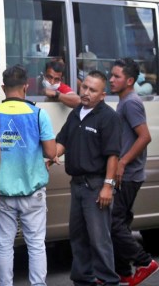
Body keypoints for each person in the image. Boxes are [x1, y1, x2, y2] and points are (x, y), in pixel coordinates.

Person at [0, 64, 57, 286]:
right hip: (33, 192)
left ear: (3, 87)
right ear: (26, 87)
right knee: (36, 245)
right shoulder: (39, 114)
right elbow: (50, 151)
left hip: (2, 192)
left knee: (3, 245)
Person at [56, 70, 121, 286]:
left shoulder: (108, 117)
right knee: (78, 237)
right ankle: (83, 280)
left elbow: (113, 155)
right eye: (84, 87)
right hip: (77, 185)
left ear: (102, 95)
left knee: (99, 240)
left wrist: (108, 186)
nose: (86, 93)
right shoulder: (76, 113)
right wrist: (51, 156)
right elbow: (63, 141)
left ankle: (108, 281)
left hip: (96, 186)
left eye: (92, 90)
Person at [109, 58, 158, 286]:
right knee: (120, 222)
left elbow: (145, 136)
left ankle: (145, 262)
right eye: (111, 75)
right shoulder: (124, 101)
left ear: (129, 81)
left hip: (128, 175)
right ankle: (123, 273)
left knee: (113, 222)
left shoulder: (130, 103)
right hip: (126, 173)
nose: (111, 79)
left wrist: (123, 162)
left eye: (116, 76)